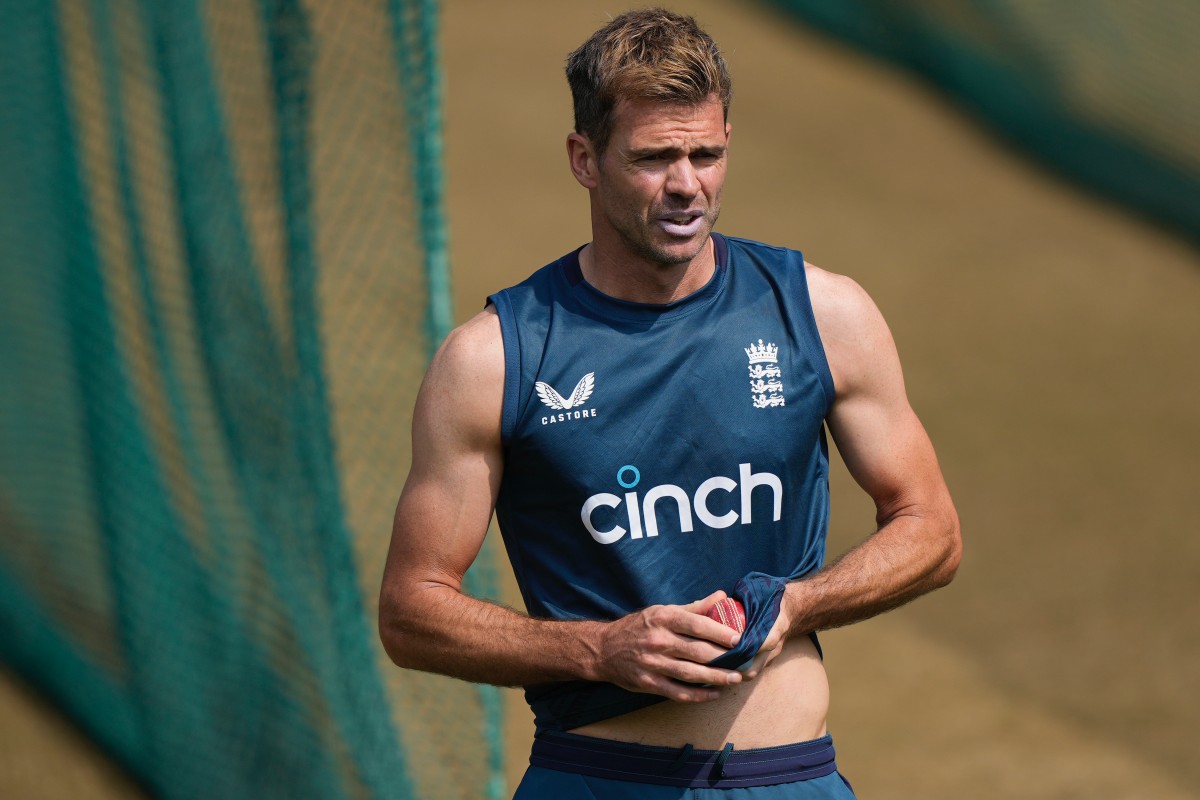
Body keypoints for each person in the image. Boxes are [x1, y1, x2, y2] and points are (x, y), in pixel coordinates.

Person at [379, 8, 961, 798]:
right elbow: (411, 611)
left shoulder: (824, 315)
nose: (687, 185)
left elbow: (932, 530)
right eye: (654, 158)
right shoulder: (493, 358)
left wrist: (798, 603)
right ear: (585, 159)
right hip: (595, 779)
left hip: (790, 779)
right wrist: (600, 650)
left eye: (707, 154)